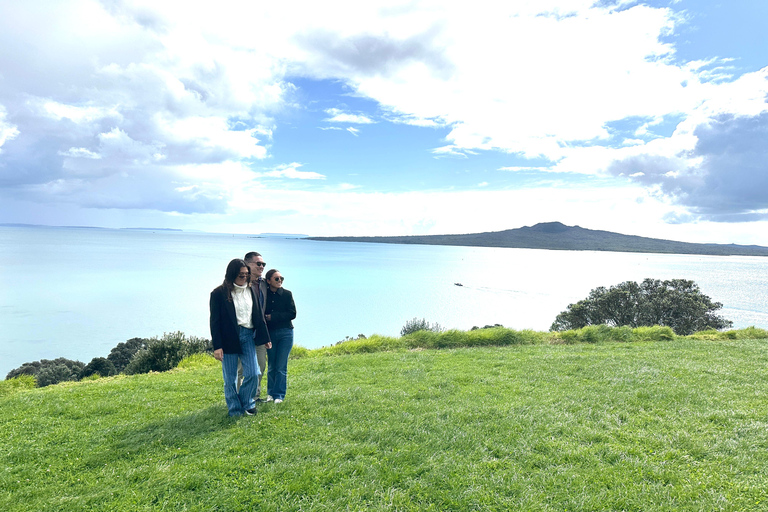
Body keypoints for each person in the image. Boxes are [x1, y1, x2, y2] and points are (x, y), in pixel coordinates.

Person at [209, 258, 271, 416]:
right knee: (230, 379)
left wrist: (266, 338)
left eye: (246, 275)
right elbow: (214, 322)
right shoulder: (218, 293)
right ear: (231, 275)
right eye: (241, 275)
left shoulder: (251, 290)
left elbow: (258, 316)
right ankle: (235, 409)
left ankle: (247, 402)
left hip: (248, 336)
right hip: (228, 339)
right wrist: (217, 347)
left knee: (253, 373)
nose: (244, 278)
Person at [263, 268, 296, 403]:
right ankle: (270, 394)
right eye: (276, 278)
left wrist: (272, 317)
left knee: (281, 366)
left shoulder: (287, 294)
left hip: (285, 333)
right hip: (270, 334)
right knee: (272, 365)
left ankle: (279, 395)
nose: (280, 281)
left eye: (281, 278)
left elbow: (292, 314)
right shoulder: (264, 295)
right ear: (268, 281)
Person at [242, 251, 269, 402]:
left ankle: (255, 395)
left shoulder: (264, 284)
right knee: (242, 369)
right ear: (247, 263)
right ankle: (242, 397)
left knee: (261, 365)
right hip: (242, 331)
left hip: (259, 333)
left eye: (263, 264)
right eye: (258, 263)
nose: (261, 267)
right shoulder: (239, 284)